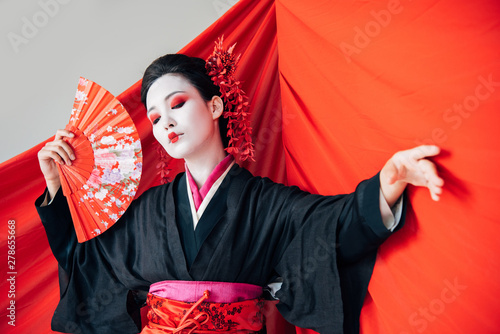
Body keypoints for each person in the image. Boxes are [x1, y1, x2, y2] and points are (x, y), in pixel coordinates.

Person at [36, 46, 443, 334]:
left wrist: (387, 184)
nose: (166, 124)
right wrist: (57, 187)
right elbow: (88, 263)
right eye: (156, 117)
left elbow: (331, 226)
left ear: (214, 107)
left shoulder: (266, 203)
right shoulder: (147, 212)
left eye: (177, 103)